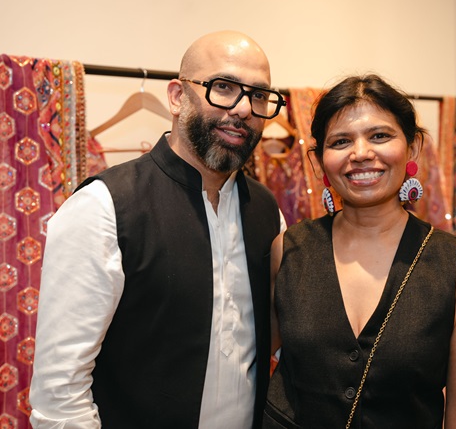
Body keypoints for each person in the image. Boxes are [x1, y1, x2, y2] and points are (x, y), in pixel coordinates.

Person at [30, 31, 287, 429]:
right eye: (223, 87)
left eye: (258, 95)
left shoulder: (268, 213)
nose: (242, 109)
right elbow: (60, 395)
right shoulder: (104, 207)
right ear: (177, 96)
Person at [264, 74, 456, 428]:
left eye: (379, 136)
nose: (361, 154)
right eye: (341, 141)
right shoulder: (288, 251)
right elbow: (248, 369)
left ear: (413, 148)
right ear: (320, 160)